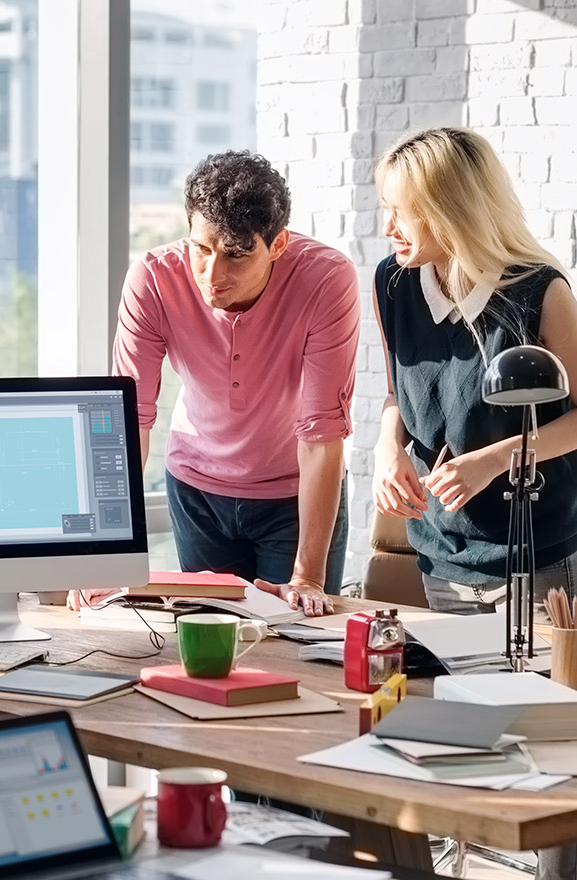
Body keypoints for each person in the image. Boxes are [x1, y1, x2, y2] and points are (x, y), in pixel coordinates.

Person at [371, 125, 577, 880]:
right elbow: (395, 398)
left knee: (549, 753)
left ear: (452, 208)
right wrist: (384, 451)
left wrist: (498, 457)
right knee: (466, 746)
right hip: (442, 551)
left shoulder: (539, 291)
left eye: (402, 210)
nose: (387, 227)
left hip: (536, 557)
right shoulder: (394, 282)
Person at [106, 150, 360, 616]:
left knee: (295, 637)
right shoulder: (153, 279)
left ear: (277, 244)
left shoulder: (327, 279)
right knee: (205, 636)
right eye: (201, 249)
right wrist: (103, 561)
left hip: (293, 495)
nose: (212, 275)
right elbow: (128, 424)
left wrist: (307, 576)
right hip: (197, 490)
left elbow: (322, 433)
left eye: (237, 256)